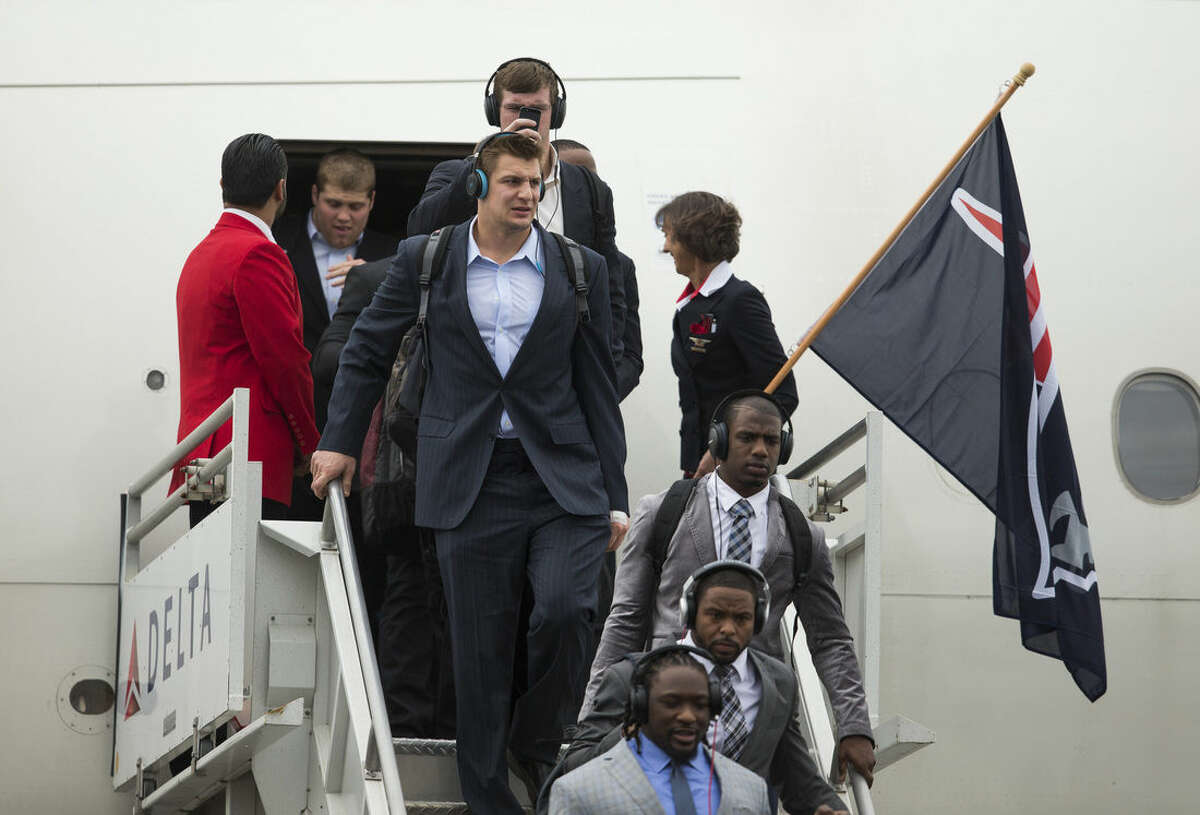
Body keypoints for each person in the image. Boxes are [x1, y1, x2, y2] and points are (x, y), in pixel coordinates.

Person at [311, 132, 629, 815]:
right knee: (477, 654)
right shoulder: (427, 259)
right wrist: (338, 442)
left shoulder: (580, 268)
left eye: (535, 183)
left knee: (568, 610)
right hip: (467, 478)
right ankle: (490, 801)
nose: (526, 193)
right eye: (512, 181)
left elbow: (598, 384)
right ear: (479, 187)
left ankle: (536, 737)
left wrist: (616, 494)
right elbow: (366, 349)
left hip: (560, 477)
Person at [585, 393, 877, 785]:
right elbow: (625, 619)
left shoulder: (802, 535)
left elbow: (830, 639)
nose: (760, 450)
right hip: (665, 706)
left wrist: (854, 725)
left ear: (783, 448)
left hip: (754, 724)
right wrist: (591, 723)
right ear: (719, 442)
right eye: (747, 438)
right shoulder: (662, 513)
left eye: (771, 441)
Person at [550, 562, 849, 814]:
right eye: (716, 615)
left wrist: (830, 807)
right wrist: (634, 729)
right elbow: (575, 768)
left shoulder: (778, 682)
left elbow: (794, 772)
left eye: (742, 618)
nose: (728, 628)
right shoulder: (631, 677)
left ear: (758, 620)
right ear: (690, 613)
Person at [312, 256, 456, 739]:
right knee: (407, 593)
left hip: (477, 469)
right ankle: (406, 725)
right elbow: (334, 357)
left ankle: (449, 721)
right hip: (400, 469)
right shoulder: (379, 277)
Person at [406, 58, 627, 368]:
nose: (527, 118)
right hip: (472, 360)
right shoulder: (460, 173)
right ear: (494, 111)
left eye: (538, 108)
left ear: (557, 114)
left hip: (562, 367)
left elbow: (611, 287)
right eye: (514, 108)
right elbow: (419, 230)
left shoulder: (589, 188)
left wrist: (609, 369)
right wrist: (481, 166)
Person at [170, 133, 318, 528]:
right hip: (248, 452)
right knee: (246, 585)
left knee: (214, 581)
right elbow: (284, 360)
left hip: (201, 451)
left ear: (223, 186)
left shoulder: (200, 254)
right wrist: (309, 443)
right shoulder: (258, 253)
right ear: (281, 188)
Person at [276, 149, 397, 522]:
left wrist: (375, 276)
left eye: (356, 206)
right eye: (333, 204)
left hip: (366, 429)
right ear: (314, 195)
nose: (344, 216)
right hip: (293, 424)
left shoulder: (394, 255)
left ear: (372, 201)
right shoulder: (276, 242)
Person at [657, 191, 799, 477]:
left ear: (692, 238)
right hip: (698, 469)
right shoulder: (688, 307)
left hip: (736, 472)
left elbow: (782, 392)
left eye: (670, 236)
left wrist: (726, 447)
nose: (665, 247)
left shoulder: (740, 301)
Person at [548, 646, 771, 814]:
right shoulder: (577, 792)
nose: (687, 716)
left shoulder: (752, 790)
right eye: (671, 703)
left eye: (700, 704)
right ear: (642, 706)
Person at [553, 138, 643, 400]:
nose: (588, 186)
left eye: (593, 177)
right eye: (576, 178)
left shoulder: (621, 267)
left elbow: (631, 357)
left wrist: (597, 398)